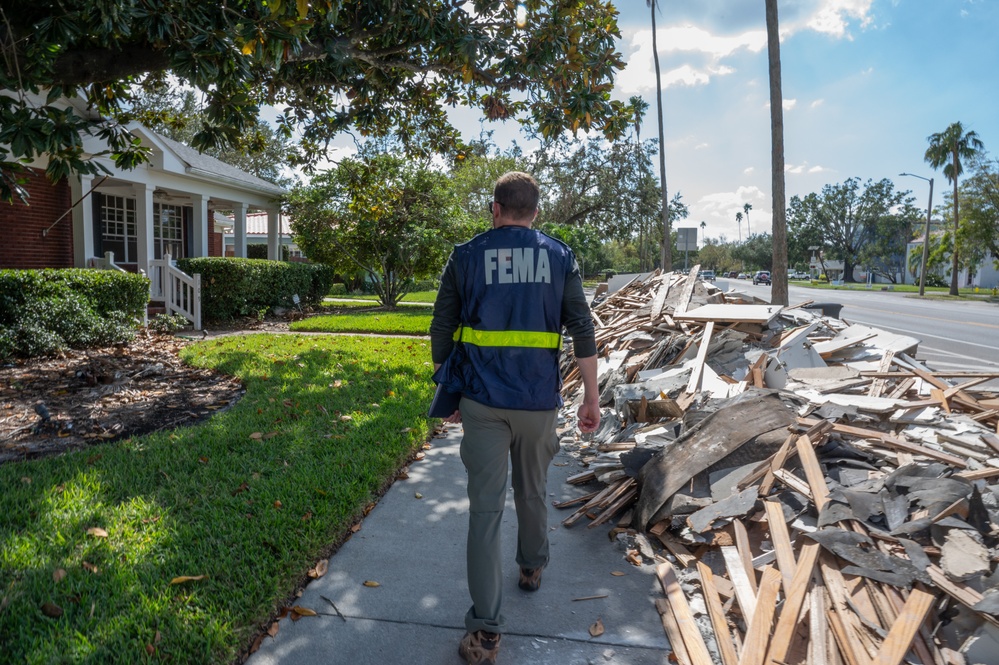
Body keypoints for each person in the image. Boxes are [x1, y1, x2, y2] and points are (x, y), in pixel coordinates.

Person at [429, 171, 601, 664]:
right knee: (532, 490)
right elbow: (581, 329)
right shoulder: (560, 255)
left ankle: (486, 634)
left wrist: (449, 384)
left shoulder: (466, 256)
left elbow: (443, 323)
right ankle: (531, 566)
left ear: (495, 208)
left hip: (482, 401)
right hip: (538, 402)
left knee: (485, 512)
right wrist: (590, 396)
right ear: (536, 212)